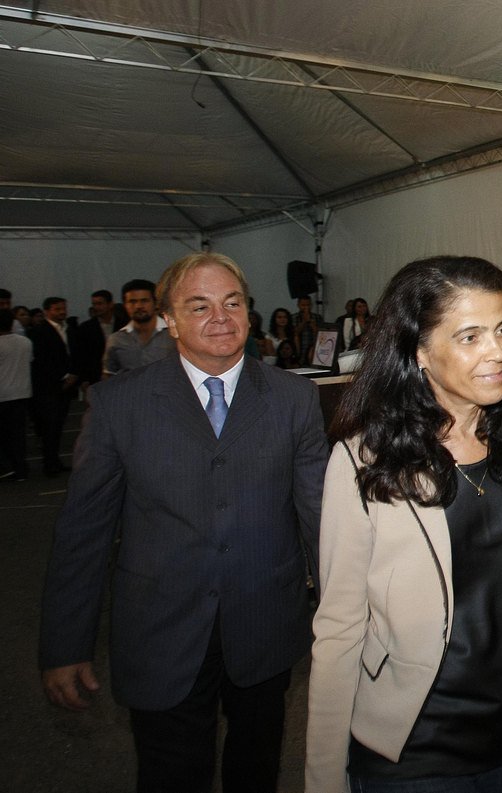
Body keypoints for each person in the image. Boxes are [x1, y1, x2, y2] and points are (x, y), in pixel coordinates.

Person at [305, 255, 502, 792]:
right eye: (470, 337)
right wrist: (324, 779)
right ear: (419, 352)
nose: (499, 351)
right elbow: (341, 628)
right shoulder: (365, 460)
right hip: (418, 751)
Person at [39, 252, 327, 793]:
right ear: (169, 320)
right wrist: (65, 645)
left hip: (264, 625)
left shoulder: (294, 398)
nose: (221, 317)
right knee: (171, 776)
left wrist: (345, 621)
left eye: (232, 303)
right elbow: (83, 532)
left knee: (257, 769)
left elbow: (319, 518)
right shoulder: (119, 403)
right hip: (160, 630)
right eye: (199, 306)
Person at [28, 296, 79, 476]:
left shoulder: (69, 329)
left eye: (63, 308)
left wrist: (73, 375)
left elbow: (74, 354)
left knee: (58, 425)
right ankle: (49, 463)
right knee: (49, 427)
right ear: (47, 311)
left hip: (67, 385)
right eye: (57, 309)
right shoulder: (38, 331)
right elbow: (41, 360)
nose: (62, 312)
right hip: (48, 387)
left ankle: (55, 460)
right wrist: (63, 376)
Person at [103, 279, 175, 377]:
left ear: (156, 303)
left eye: (144, 301)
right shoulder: (116, 339)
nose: (138, 306)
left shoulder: (174, 334)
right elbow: (109, 375)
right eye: (132, 301)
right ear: (125, 305)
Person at [0, 308, 33, 481]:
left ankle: (7, 467)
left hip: (3, 394)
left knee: (4, 436)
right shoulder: (25, 342)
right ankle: (21, 468)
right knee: (18, 435)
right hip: (22, 393)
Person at [74, 290, 130, 387]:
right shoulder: (86, 328)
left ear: (110, 304)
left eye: (99, 304)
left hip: (122, 376)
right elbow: (81, 355)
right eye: (94, 304)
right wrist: (84, 379)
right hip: (95, 377)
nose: (96, 307)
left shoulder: (124, 324)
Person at [294, 295, 323, 364]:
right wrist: (304, 321)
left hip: (314, 352)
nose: (306, 307)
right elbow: (294, 333)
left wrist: (313, 325)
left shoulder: (317, 317)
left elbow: (322, 335)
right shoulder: (294, 317)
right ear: (298, 305)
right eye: (303, 305)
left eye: (308, 305)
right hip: (298, 351)